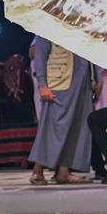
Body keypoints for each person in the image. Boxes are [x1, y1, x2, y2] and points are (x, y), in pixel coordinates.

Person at [29, 36, 94, 185]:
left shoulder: (78, 26)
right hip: (59, 81)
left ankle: (64, 172)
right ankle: (37, 171)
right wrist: (42, 84)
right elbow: (40, 54)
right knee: (52, 126)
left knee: (76, 127)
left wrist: (94, 78)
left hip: (81, 82)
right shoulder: (48, 26)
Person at [0, 53, 34, 125]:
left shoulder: (3, 80)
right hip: (25, 115)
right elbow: (32, 93)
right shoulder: (26, 77)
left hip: (8, 116)